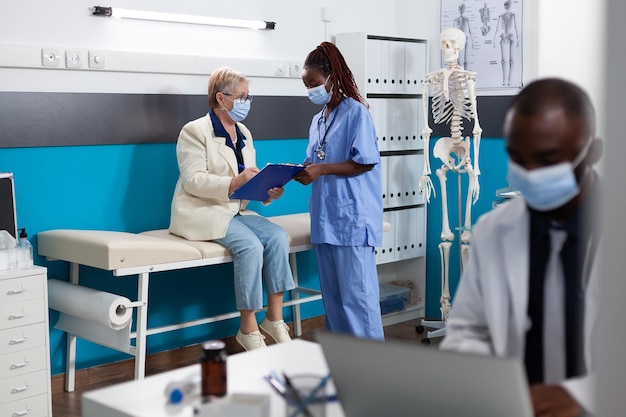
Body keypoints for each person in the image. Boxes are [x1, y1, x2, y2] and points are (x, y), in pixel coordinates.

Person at [440, 78, 602, 417]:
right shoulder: (494, 229)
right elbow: (469, 329)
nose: (530, 173)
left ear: (593, 152)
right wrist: (477, 387)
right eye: (518, 158)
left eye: (548, 159)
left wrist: (578, 397)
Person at [169, 66, 295, 351]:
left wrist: (268, 190)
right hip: (201, 210)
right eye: (241, 96)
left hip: (235, 210)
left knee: (277, 237)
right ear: (220, 98)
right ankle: (248, 327)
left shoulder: (244, 132)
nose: (245, 102)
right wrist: (235, 181)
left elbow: (248, 179)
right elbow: (192, 181)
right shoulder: (194, 131)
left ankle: (274, 320)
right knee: (250, 246)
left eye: (248, 96)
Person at [294, 42, 384, 340]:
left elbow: (364, 162)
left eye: (314, 83)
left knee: (358, 300)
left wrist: (320, 170)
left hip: (352, 221)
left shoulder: (356, 113)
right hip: (325, 219)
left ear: (332, 78)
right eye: (306, 85)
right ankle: (346, 367)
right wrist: (298, 172)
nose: (310, 90)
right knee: (334, 302)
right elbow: (315, 158)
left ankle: (374, 373)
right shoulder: (317, 121)